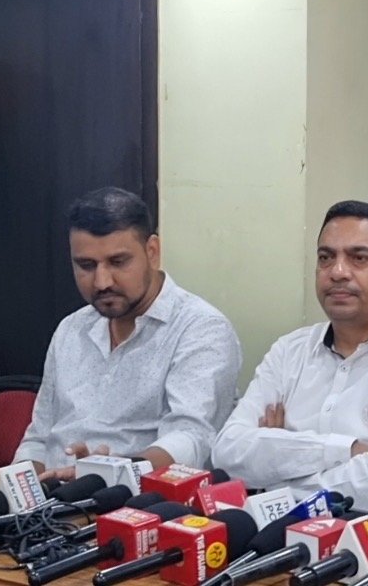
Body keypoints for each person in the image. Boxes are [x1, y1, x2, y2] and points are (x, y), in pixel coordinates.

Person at [211, 201, 368, 510]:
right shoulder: (290, 350)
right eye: (326, 258)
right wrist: (347, 449)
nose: (338, 272)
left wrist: (273, 468)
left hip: (363, 535)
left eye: (359, 258)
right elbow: (227, 452)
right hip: (267, 528)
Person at [14, 187, 242, 480]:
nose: (102, 282)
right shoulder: (71, 329)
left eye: (118, 262)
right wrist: (19, 490)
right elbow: (38, 438)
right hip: (50, 498)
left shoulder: (200, 329)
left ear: (152, 252)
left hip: (136, 499)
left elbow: (191, 439)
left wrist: (112, 472)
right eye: (86, 265)